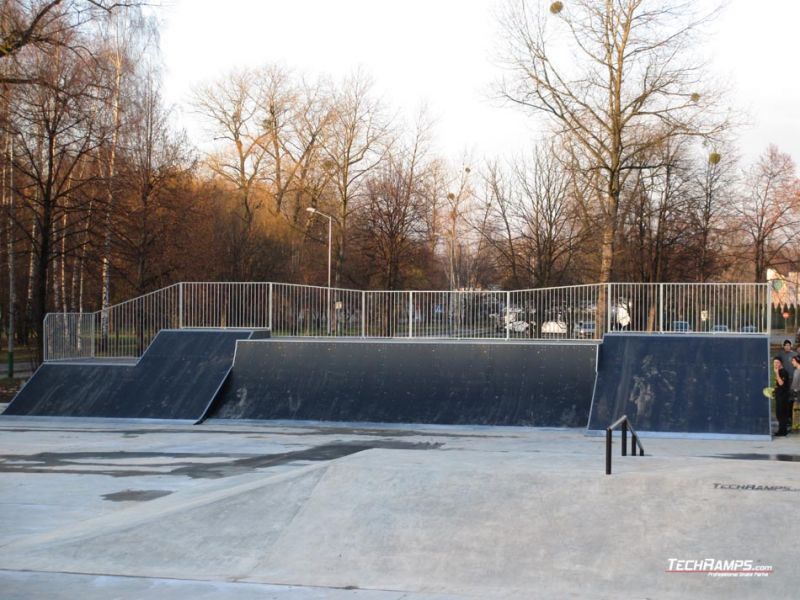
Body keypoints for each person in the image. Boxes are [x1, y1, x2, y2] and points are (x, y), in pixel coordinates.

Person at [774, 357, 791, 436]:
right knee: (779, 413)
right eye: (774, 362)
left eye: (777, 362)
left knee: (782, 414)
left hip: (783, 397)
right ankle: (781, 430)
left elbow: (781, 383)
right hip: (779, 396)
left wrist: (777, 373)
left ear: (781, 363)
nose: (775, 364)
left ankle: (783, 431)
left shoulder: (783, 372)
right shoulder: (779, 371)